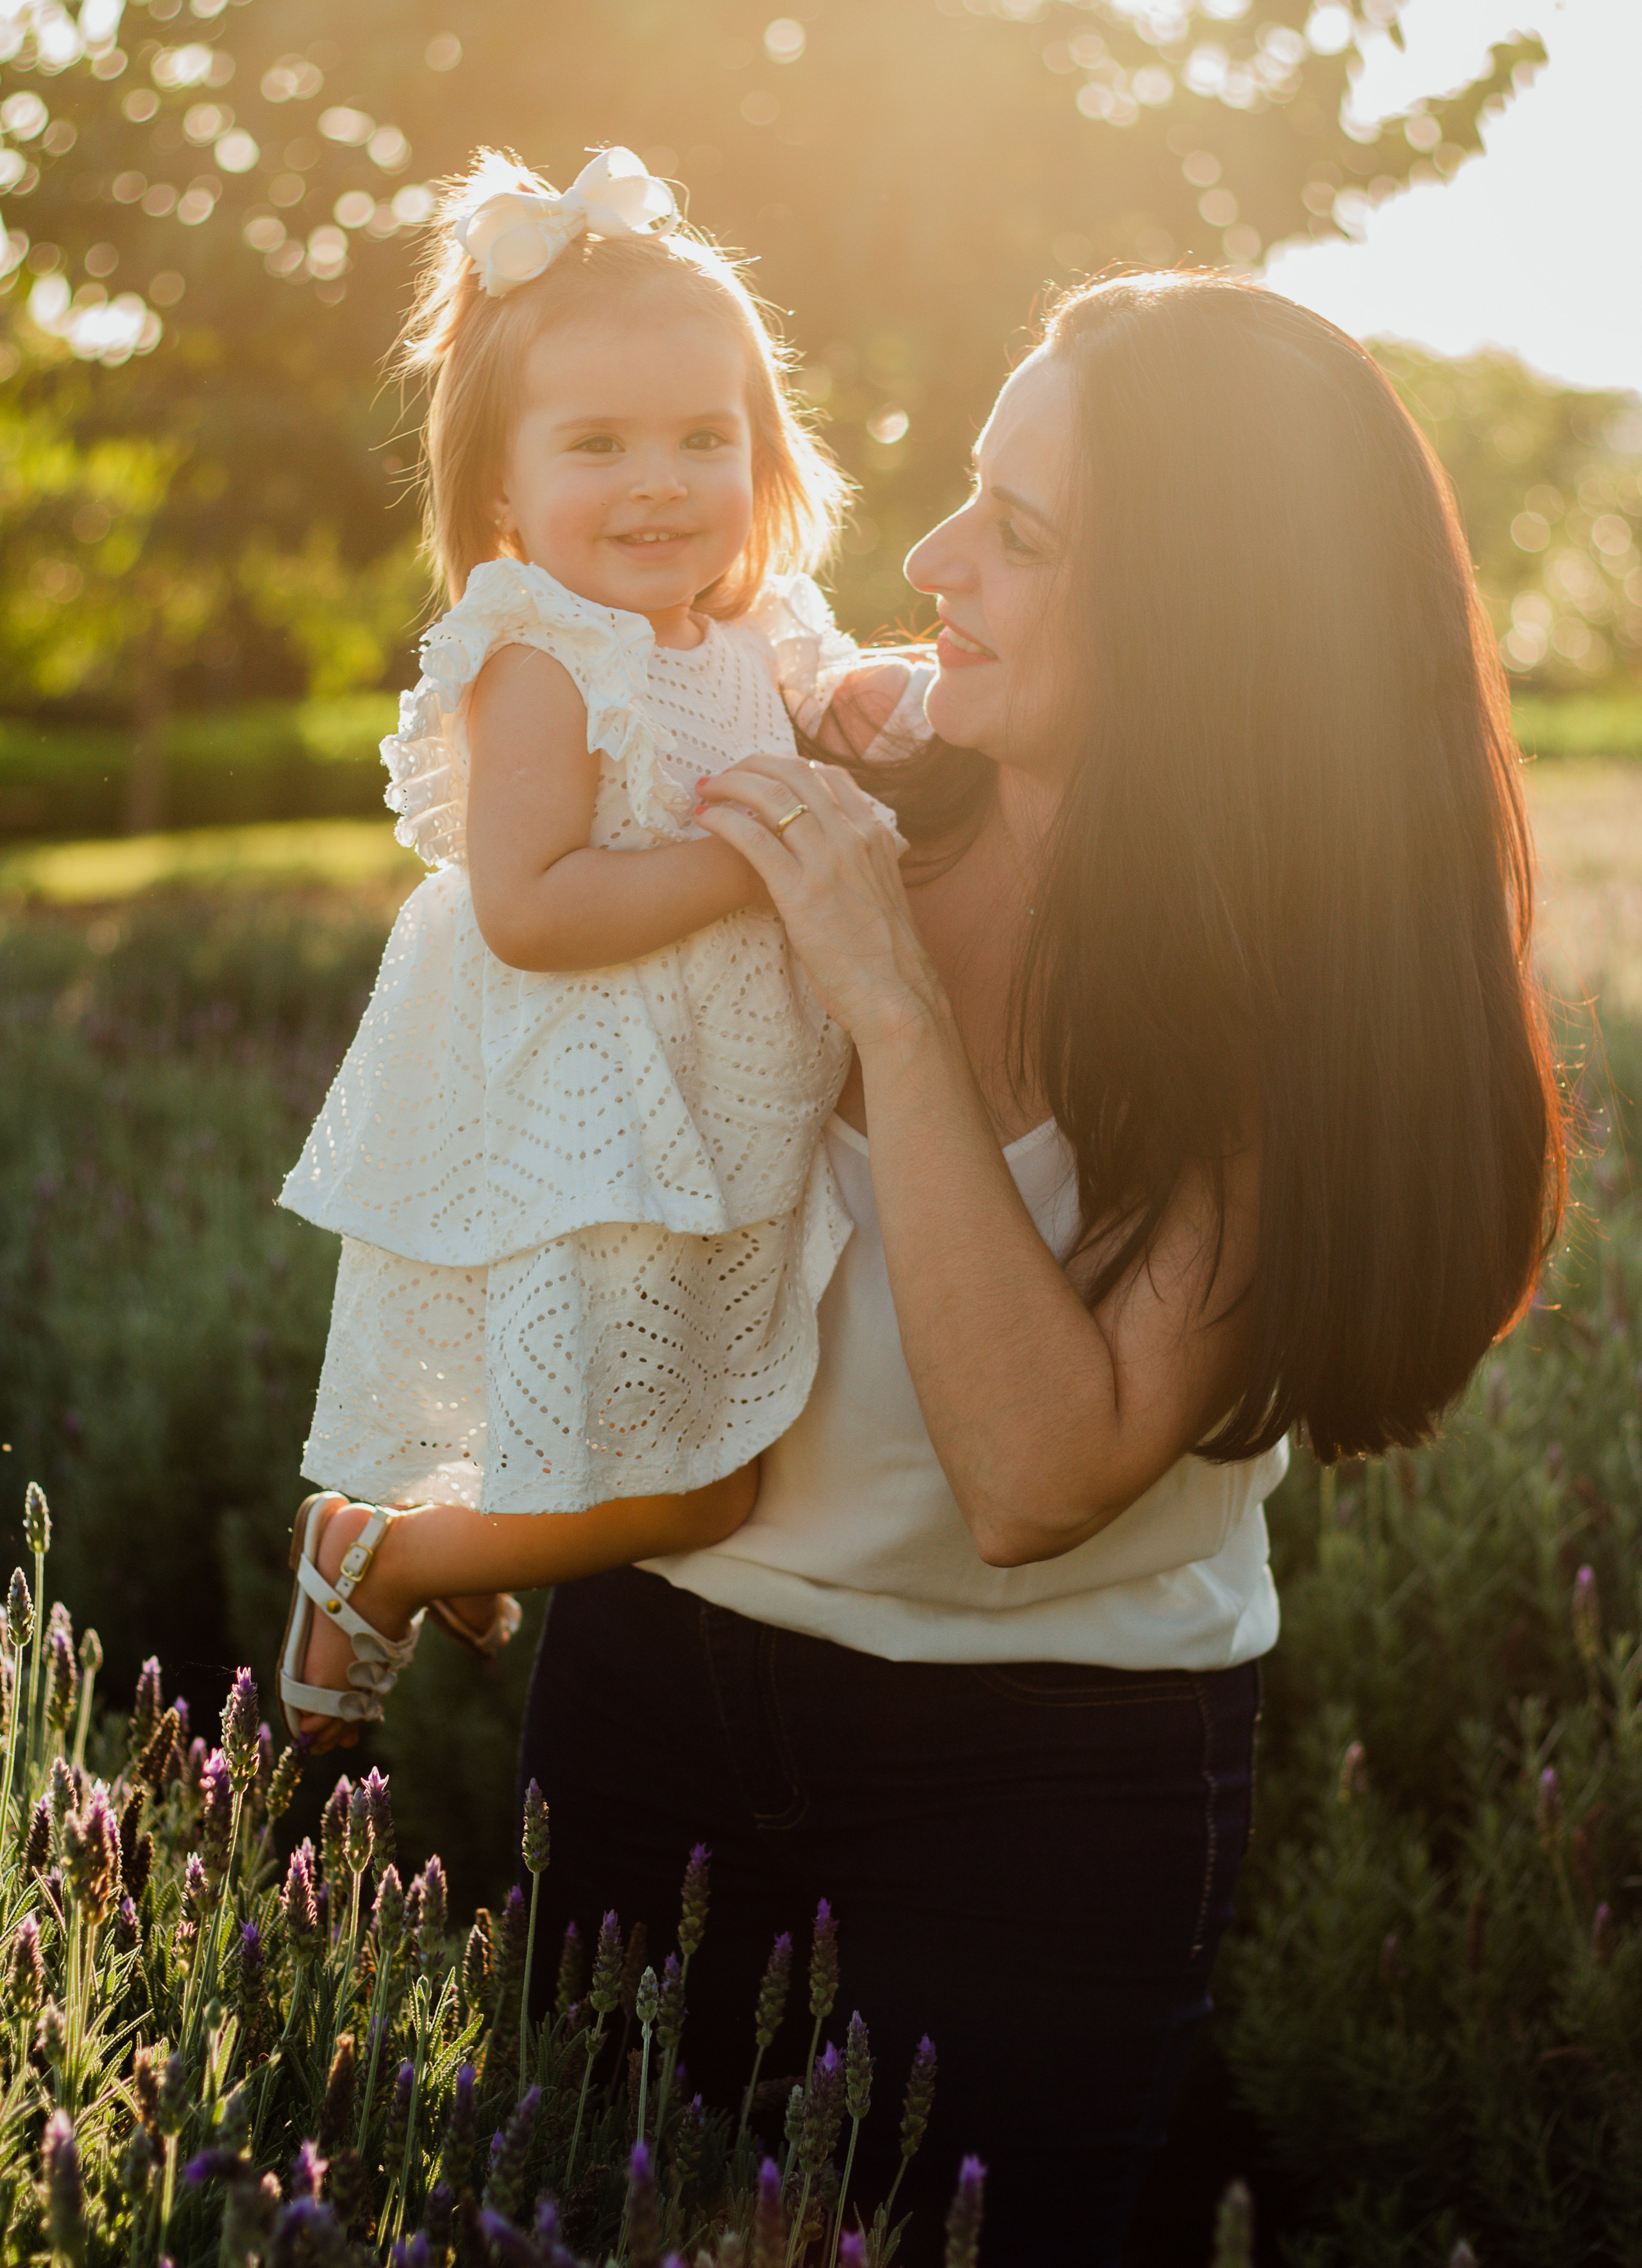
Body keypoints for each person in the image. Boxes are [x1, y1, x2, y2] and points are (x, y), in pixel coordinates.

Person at [514, 271, 1565, 2264]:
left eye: (1021, 533)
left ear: (1200, 628)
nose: (930, 559)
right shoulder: (859, 772)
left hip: (1039, 1776)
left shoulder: (1299, 1011)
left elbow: (1033, 1477)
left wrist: (888, 1009)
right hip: (648, 1683)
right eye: (964, 496)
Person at [274, 146, 920, 1749]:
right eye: (599, 444)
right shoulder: (541, 654)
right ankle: (381, 1555)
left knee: (697, 1412)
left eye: (705, 437)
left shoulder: (753, 621)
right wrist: (752, 861)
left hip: (730, 1098)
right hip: (601, 1107)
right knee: (699, 1489)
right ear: (502, 488)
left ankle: (478, 1529)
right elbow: (532, 906)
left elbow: (839, 700)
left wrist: (887, 708)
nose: (660, 481)